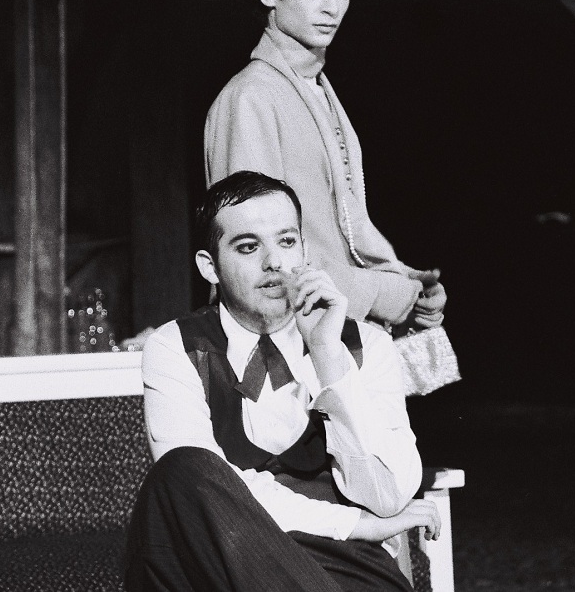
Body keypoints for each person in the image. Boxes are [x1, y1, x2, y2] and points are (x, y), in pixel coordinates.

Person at [124, 171, 440, 591]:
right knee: (181, 470)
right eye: (248, 247)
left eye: (287, 242)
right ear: (209, 266)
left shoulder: (366, 345)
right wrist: (355, 524)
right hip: (228, 563)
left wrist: (328, 357)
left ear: (304, 250)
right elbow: (194, 496)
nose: (273, 262)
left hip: (346, 572)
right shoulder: (175, 348)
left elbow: (387, 497)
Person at [205, 0, 447, 334]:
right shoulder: (251, 97)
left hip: (336, 321)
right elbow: (256, 253)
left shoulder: (316, 89)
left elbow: (342, 233)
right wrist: (384, 294)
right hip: (287, 336)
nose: (332, 7)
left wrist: (407, 286)